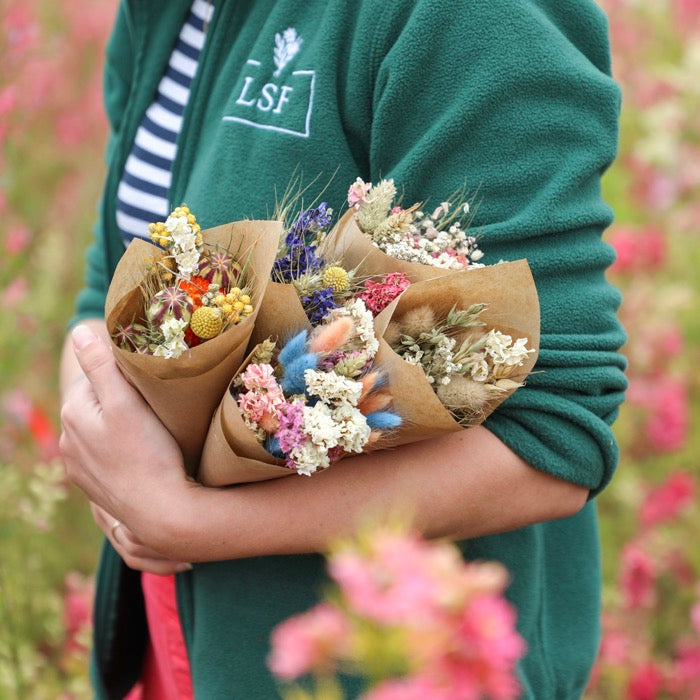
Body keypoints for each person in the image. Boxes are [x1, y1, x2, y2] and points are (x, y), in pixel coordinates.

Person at [59, 0, 627, 697]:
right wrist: (112, 467)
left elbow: (553, 439)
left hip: (374, 664)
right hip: (178, 636)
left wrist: (190, 522)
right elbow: (108, 286)